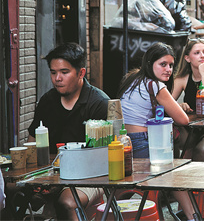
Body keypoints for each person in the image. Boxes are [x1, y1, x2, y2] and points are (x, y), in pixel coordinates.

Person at [26, 43, 109, 220]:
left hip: (92, 176)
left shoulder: (99, 103)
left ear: (81, 73)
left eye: (64, 72)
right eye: (53, 72)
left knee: (67, 202)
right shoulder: (47, 101)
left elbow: (105, 156)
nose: (57, 78)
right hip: (51, 174)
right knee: (11, 189)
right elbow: (32, 142)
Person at [118, 42, 195, 220]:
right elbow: (183, 120)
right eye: (163, 64)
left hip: (123, 142)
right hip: (142, 142)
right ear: (149, 63)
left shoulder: (131, 79)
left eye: (171, 65)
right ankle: (194, 217)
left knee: (126, 188)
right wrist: (178, 107)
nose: (168, 69)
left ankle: (111, 213)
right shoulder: (155, 85)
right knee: (175, 175)